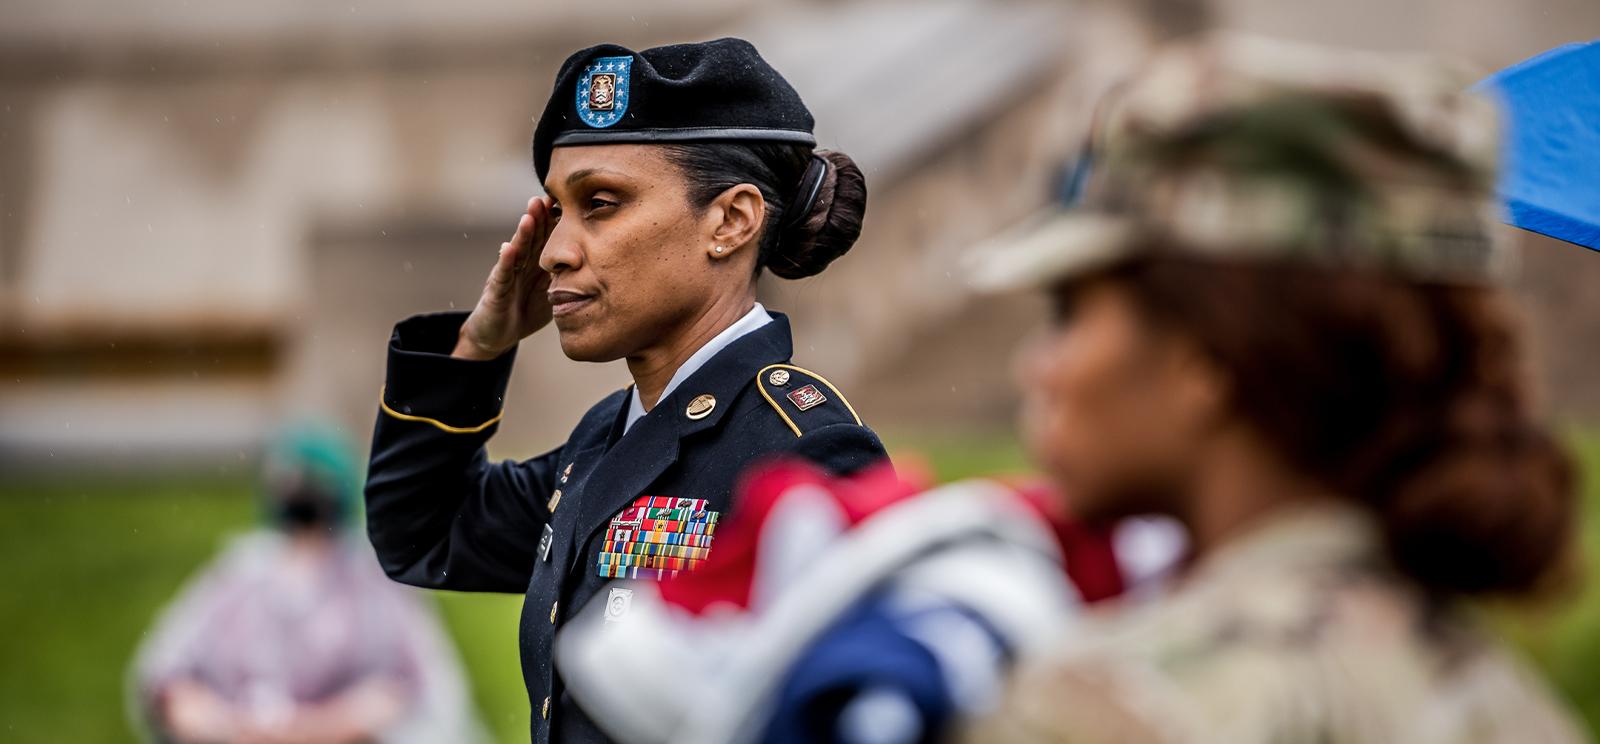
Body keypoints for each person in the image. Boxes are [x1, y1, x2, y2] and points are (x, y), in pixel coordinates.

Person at [958, 34, 1588, 743]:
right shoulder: (1508, 706)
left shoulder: (1104, 707)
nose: (1040, 366)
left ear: (1205, 362)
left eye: (1072, 312)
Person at [362, 38, 887, 744]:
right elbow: (424, 533)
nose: (552, 251)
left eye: (601, 203)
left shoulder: (806, 451)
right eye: (556, 211)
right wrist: (479, 348)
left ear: (730, 221)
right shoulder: (607, 438)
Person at [131, 424, 484, 744]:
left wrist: (331, 725)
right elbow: (165, 679)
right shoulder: (241, 574)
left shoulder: (374, 582)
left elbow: (429, 696)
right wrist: (227, 724)